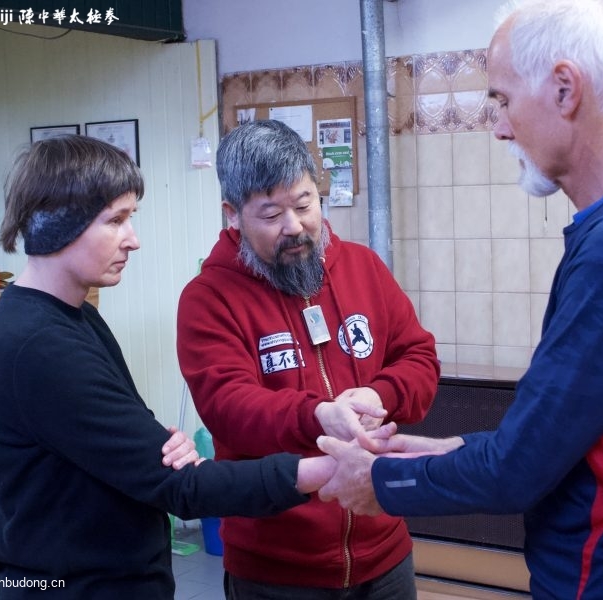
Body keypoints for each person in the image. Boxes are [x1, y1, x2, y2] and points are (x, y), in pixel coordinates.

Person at [315, 1, 603, 598]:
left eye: (504, 100)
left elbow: (519, 471)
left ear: (565, 89)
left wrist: (379, 481)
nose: (500, 128)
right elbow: (567, 436)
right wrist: (445, 449)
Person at [0, 134, 335, 599]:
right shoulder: (42, 345)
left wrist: (156, 446)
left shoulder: (71, 314)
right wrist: (327, 470)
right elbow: (180, 485)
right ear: (57, 225)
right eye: (115, 221)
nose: (133, 240)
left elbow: (147, 450)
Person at [175, 119, 440, 599]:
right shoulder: (209, 298)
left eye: (304, 204)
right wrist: (317, 415)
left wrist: (379, 395)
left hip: (385, 554)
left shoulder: (363, 267)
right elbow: (228, 406)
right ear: (232, 214)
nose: (295, 226)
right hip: (276, 571)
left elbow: (418, 357)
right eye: (271, 213)